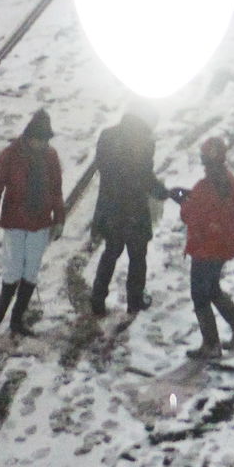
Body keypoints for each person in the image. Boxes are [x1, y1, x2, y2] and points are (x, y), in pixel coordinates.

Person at [0, 108, 65, 337]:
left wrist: (59, 219)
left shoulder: (51, 156)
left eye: (45, 140)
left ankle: (17, 318)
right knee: (12, 267)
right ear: (29, 136)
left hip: (41, 222)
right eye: (39, 140)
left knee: (31, 270)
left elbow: (56, 190)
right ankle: (3, 305)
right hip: (15, 221)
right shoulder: (10, 155)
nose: (42, 144)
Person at [88, 111, 170, 318]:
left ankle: (98, 298)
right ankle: (135, 300)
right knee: (137, 255)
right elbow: (143, 176)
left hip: (110, 204)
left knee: (111, 251)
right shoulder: (143, 141)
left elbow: (102, 167)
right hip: (133, 207)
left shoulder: (107, 135)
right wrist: (161, 191)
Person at [175, 135, 234, 360]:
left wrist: (184, 201)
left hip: (205, 248)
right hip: (222, 246)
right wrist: (192, 198)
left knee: (200, 296)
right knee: (214, 289)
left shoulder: (205, 187)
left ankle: (211, 344)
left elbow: (191, 215)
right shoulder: (229, 181)